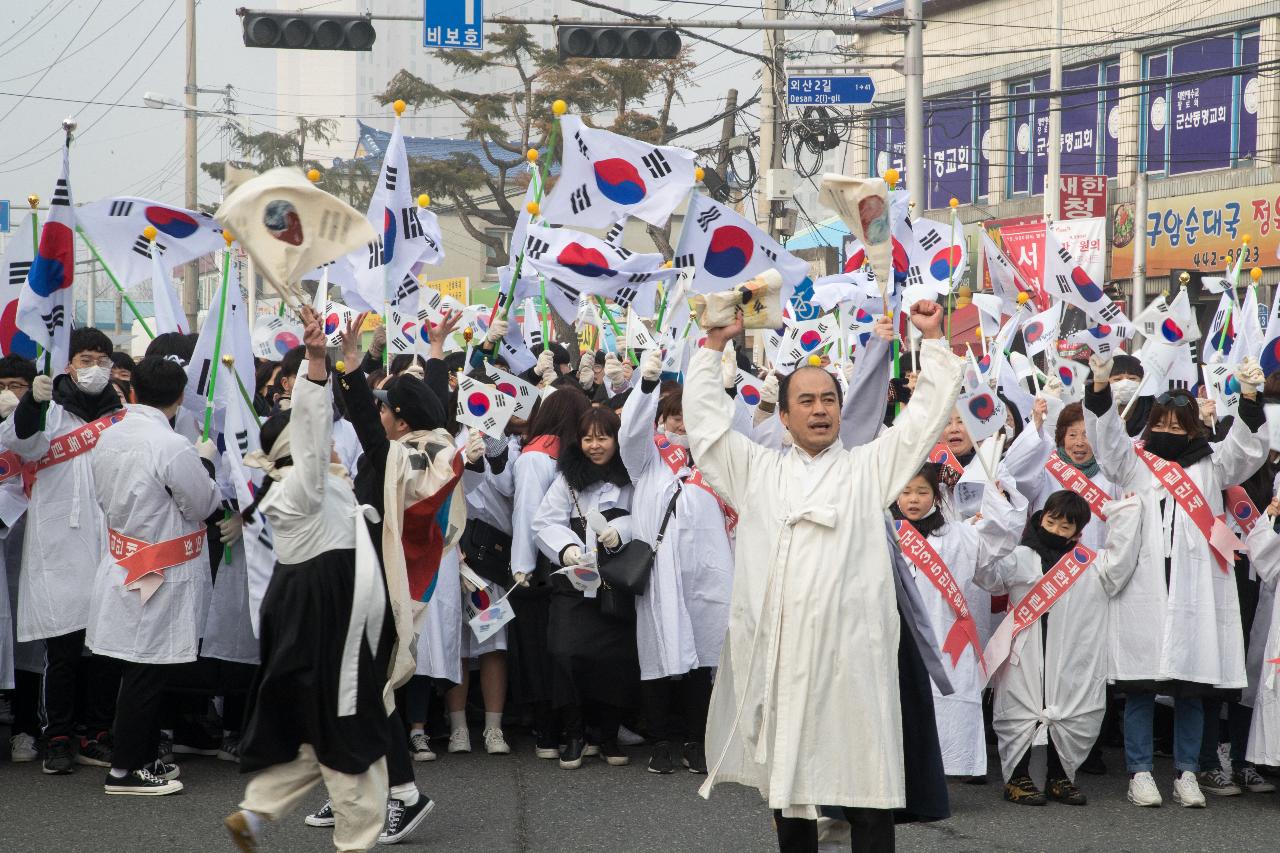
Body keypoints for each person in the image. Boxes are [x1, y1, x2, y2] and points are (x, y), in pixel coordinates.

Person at [684, 301, 962, 853]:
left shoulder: (868, 469)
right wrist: (713, 348)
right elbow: (708, 430)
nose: (819, 410)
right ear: (783, 417)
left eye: (829, 399)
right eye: (805, 401)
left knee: (869, 792)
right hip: (785, 662)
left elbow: (924, 420)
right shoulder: (756, 471)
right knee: (793, 795)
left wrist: (931, 340)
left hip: (856, 661)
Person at [226, 307, 394, 853]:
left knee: (314, 723)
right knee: (350, 726)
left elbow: (326, 435)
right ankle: (356, 842)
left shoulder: (296, 487)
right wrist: (316, 364)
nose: (334, 448)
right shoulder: (303, 484)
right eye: (322, 445)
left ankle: (256, 812)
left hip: (311, 610)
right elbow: (313, 428)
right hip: (328, 616)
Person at [1084, 354, 1267, 808]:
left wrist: (1248, 399)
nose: (1168, 431)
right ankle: (1140, 772)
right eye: (1160, 422)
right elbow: (1106, 442)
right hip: (1144, 584)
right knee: (1140, 683)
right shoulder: (1134, 462)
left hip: (1195, 587)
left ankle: (1187, 772)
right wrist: (1101, 384)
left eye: (1178, 424)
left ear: (1193, 429)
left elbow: (1246, 450)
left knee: (1192, 684)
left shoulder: (1212, 465)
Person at [319, 310, 466, 845]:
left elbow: (361, 417)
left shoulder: (393, 459)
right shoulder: (436, 445)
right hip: (388, 577)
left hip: (379, 583)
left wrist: (352, 364)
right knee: (353, 688)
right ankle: (354, 788)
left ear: (399, 421)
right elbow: (437, 408)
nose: (376, 415)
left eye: (386, 409)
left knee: (369, 691)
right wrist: (434, 350)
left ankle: (404, 794)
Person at [86, 356, 222, 794]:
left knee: (138, 665)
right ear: (181, 397)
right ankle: (125, 770)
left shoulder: (108, 436)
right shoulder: (172, 446)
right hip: (161, 567)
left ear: (133, 391)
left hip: (124, 559)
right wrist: (207, 467)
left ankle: (143, 758)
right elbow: (202, 505)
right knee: (147, 669)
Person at [0, 327, 124, 775]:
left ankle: (98, 732)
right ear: (69, 363)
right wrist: (33, 401)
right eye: (84, 358)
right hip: (59, 541)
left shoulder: (123, 413)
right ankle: (57, 736)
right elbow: (22, 442)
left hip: (109, 539)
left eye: (100, 359)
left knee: (107, 645)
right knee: (64, 645)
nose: (93, 368)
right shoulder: (50, 408)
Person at [975, 489, 1142, 806]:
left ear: (1077, 533)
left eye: (1065, 527)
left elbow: (1119, 564)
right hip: (1025, 651)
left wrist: (1126, 511)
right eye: (1051, 522)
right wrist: (990, 526)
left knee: (1069, 710)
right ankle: (1018, 777)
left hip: (1068, 653)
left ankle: (1060, 776)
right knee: (1019, 712)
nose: (1055, 530)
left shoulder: (1088, 563)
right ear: (1041, 518)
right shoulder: (1020, 555)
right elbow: (987, 576)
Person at [620, 349, 733, 775]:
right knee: (659, 655)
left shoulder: (715, 457)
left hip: (709, 572)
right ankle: (662, 740)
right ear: (662, 419)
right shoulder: (648, 458)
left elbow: (736, 429)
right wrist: (647, 386)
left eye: (689, 415)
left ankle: (698, 738)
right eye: (674, 415)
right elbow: (630, 433)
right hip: (660, 575)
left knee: (706, 657)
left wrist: (730, 392)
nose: (682, 423)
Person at [890, 463, 1025, 782]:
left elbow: (1001, 538)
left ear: (936, 496)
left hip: (946, 636)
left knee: (946, 705)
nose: (913, 499)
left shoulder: (958, 534)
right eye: (906, 492)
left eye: (922, 491)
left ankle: (941, 772)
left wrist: (994, 492)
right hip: (896, 633)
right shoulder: (883, 533)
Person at [532, 405, 637, 770]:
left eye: (603, 437)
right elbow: (544, 521)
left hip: (615, 580)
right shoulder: (567, 479)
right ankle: (574, 732)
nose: (595, 445)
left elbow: (647, 517)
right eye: (588, 438)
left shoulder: (631, 478)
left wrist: (620, 531)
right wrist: (567, 548)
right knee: (565, 652)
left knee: (613, 660)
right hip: (573, 581)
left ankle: (605, 734)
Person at [508, 387, 593, 759]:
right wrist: (523, 567)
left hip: (563, 561)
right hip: (542, 568)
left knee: (559, 647)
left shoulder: (558, 454)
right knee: (543, 650)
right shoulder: (536, 457)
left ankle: (560, 725)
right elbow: (527, 514)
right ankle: (546, 728)